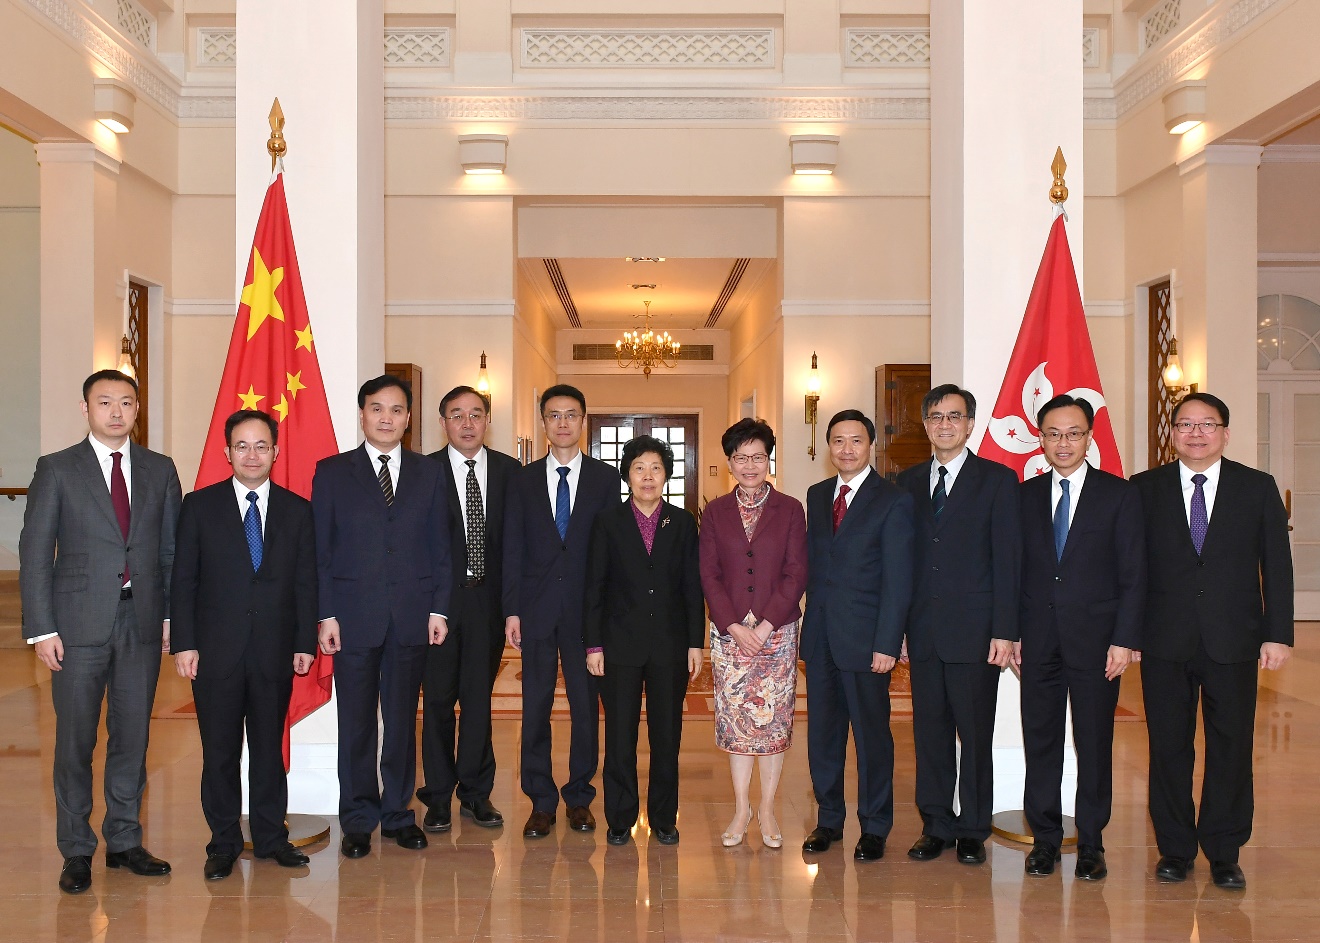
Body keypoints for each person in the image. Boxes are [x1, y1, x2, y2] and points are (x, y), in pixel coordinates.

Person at [19, 369, 182, 894]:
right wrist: (42, 627)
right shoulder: (58, 468)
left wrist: (171, 616)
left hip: (141, 620)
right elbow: (36, 553)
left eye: (126, 403)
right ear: (86, 408)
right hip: (77, 624)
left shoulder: (160, 470)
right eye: (105, 402)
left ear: (139, 411)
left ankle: (125, 840)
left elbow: (170, 552)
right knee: (75, 741)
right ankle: (76, 849)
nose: (116, 411)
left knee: (133, 736)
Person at [1132, 392, 1293, 890]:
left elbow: (1277, 566)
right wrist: (1129, 634)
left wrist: (1278, 634)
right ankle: (1175, 850)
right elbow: (1131, 570)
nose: (1196, 433)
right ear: (1172, 433)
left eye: (1207, 424)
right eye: (1185, 424)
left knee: (1231, 747)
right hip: (1163, 641)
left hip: (1234, 641)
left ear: (1226, 432)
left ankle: (1225, 851)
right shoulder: (1145, 489)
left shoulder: (1257, 487)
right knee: (1169, 748)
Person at [170, 409, 317, 879]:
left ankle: (272, 838)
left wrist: (304, 642)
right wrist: (185, 643)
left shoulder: (297, 509)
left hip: (275, 651)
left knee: (269, 752)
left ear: (275, 451)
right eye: (242, 446)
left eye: (261, 446)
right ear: (227, 452)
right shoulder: (199, 505)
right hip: (215, 653)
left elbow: (305, 583)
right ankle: (223, 842)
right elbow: (184, 579)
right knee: (219, 753)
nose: (252, 455)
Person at [312, 374, 451, 858]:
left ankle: (396, 814)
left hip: (412, 615)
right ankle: (357, 818)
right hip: (351, 618)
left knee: (399, 721)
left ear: (409, 419)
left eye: (396, 410)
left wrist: (438, 608)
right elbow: (321, 553)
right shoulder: (331, 472)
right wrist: (325, 614)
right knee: (355, 723)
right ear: (362, 414)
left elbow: (441, 546)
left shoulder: (428, 473)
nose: (386, 418)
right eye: (377, 409)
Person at [1017, 394, 1145, 880]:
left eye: (1073, 433)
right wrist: (1011, 634)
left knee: (1094, 743)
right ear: (1042, 439)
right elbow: (1015, 573)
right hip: (1037, 642)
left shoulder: (1119, 494)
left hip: (1098, 644)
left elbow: (1134, 573)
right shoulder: (1025, 496)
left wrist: (1124, 639)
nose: (1063, 443)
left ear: (1089, 438)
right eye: (1053, 434)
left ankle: (1091, 841)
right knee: (1041, 741)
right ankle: (1045, 839)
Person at [896, 384, 1020, 866]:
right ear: (925, 425)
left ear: (970, 424)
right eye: (935, 417)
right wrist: (898, 632)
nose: (944, 425)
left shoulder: (997, 480)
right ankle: (936, 825)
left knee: (974, 735)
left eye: (954, 416)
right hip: (923, 632)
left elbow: (1008, 561)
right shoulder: (905, 483)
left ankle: (973, 828)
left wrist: (1005, 631)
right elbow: (902, 563)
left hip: (976, 633)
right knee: (928, 735)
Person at [503, 384, 620, 838]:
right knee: (535, 707)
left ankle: (578, 797)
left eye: (572, 414)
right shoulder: (523, 480)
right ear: (544, 423)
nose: (563, 423)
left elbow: (610, 551)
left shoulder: (606, 480)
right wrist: (511, 610)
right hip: (534, 610)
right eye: (554, 416)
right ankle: (540, 801)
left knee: (585, 706)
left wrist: (608, 612)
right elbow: (512, 547)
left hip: (586, 612)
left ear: (584, 420)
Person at [801, 409, 914, 861]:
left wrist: (888, 642)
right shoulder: (816, 494)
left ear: (871, 446)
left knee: (871, 737)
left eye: (855, 441)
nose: (846, 449)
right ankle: (829, 819)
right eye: (838, 441)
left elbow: (899, 577)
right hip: (822, 636)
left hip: (868, 642)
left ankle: (875, 825)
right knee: (823, 736)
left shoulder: (893, 499)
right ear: (829, 447)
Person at [584, 435, 704, 847]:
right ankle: (620, 817)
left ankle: (663, 817)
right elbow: (594, 588)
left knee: (666, 735)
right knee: (619, 735)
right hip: (618, 647)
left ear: (667, 473)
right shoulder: (608, 522)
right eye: (639, 468)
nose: (648, 476)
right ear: (627, 475)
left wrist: (695, 642)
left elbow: (692, 586)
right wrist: (593, 645)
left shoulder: (683, 522)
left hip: (670, 647)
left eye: (655, 467)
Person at [699, 419, 807, 849]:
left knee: (772, 722)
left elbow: (796, 572)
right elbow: (708, 573)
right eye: (741, 458)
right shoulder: (715, 511)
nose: (749, 465)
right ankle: (742, 807)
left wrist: (764, 625)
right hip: (729, 637)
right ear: (729, 462)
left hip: (776, 633)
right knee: (738, 723)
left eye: (757, 457)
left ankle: (767, 809)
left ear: (769, 460)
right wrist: (731, 624)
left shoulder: (791, 509)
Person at [417, 386, 520, 833]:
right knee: (438, 701)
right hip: (437, 607)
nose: (466, 423)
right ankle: (438, 795)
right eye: (456, 415)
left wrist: (513, 608)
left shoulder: (508, 472)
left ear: (487, 421)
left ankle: (477, 794)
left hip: (487, 605)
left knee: (479, 702)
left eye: (475, 415)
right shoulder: (422, 472)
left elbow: (516, 548)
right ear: (443, 423)